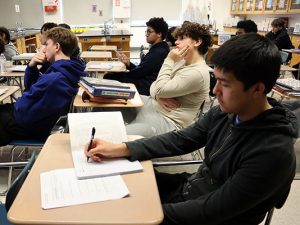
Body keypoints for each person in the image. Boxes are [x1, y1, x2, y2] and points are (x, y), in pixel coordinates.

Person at [84, 33, 297, 225]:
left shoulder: (273, 151)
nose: (215, 91)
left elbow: (213, 209)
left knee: (120, 213)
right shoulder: (226, 112)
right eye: (217, 79)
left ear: (257, 89)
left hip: (214, 216)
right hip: (192, 189)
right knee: (121, 179)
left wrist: (147, 216)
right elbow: (181, 140)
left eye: (225, 83)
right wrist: (121, 149)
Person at [120, 22, 211, 138]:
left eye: (182, 38)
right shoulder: (182, 61)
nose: (176, 42)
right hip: (152, 103)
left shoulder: (197, 73)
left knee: (118, 136)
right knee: (109, 100)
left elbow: (159, 87)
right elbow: (155, 84)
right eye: (177, 38)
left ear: (197, 42)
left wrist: (169, 59)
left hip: (166, 120)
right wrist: (157, 96)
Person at [0, 27, 86, 146]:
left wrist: (21, 100)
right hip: (44, 121)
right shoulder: (67, 69)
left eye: (45, 44)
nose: (42, 49)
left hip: (33, 125)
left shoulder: (54, 78)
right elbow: (33, 89)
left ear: (56, 47)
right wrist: (32, 66)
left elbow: (24, 108)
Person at [104, 17, 169, 96]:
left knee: (109, 77)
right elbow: (142, 69)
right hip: (145, 81)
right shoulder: (159, 48)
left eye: (149, 31)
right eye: (146, 31)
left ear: (159, 34)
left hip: (147, 86)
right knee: (113, 75)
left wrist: (121, 74)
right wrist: (128, 63)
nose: (146, 34)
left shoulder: (158, 52)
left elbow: (138, 73)